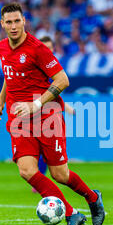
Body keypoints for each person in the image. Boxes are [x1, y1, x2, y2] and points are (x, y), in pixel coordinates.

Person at [0, 3, 105, 225]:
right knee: (26, 170)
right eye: (8, 22)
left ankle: (93, 198)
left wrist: (35, 104)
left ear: (25, 21)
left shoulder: (37, 49)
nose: (13, 26)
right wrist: (0, 102)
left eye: (17, 21)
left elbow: (63, 80)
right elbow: (8, 76)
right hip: (19, 118)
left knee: (60, 175)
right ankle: (71, 213)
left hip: (46, 116)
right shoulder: (2, 47)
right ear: (2, 24)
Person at [32, 35, 75, 190]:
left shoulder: (53, 66)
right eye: (45, 47)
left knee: (51, 151)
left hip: (52, 113)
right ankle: (40, 179)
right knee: (39, 149)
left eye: (50, 48)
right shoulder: (35, 67)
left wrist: (67, 107)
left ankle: (46, 178)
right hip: (36, 113)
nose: (48, 50)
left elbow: (56, 89)